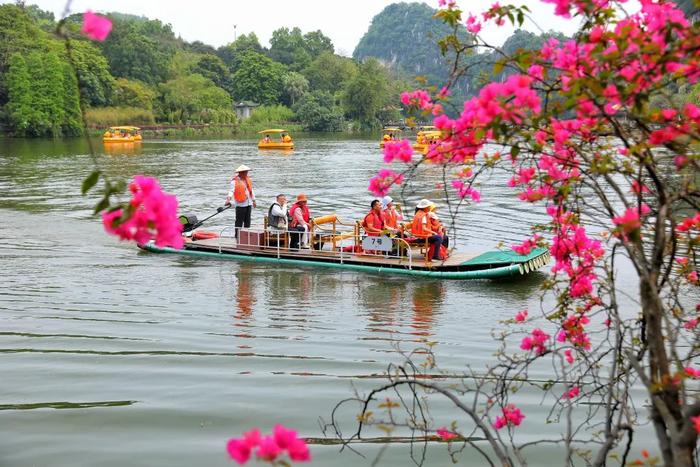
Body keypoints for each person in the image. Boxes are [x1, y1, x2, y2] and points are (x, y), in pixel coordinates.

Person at [225, 164, 256, 239]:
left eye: (247, 172)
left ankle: (246, 236)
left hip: (248, 203)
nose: (246, 173)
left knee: (247, 220)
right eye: (245, 172)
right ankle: (237, 236)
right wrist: (228, 199)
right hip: (240, 204)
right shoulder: (234, 181)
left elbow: (251, 190)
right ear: (240, 172)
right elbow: (231, 191)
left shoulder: (247, 179)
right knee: (239, 221)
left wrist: (254, 200)